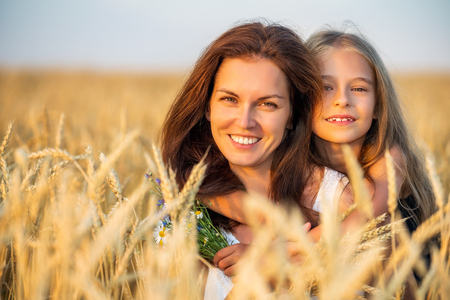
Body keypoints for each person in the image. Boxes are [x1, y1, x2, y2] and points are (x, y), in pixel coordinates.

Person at [160, 21, 323, 299]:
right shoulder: (179, 218)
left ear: (292, 116)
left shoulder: (339, 197)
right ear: (207, 107)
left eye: (267, 104)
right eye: (229, 99)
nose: (245, 121)